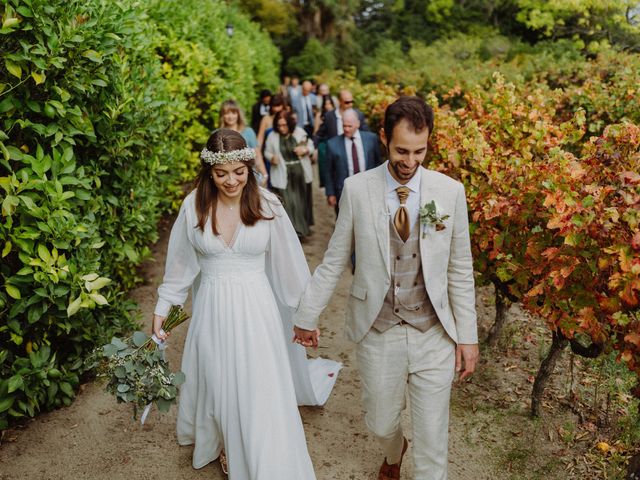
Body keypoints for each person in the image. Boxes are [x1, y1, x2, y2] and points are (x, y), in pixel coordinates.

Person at [292, 96, 480, 480]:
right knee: (380, 422)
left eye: (419, 151)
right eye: (401, 151)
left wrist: (468, 337)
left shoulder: (450, 192)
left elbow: (461, 269)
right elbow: (333, 258)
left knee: (433, 441)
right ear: (383, 139)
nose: (409, 162)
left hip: (434, 333)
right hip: (379, 329)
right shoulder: (357, 189)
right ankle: (394, 451)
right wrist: (307, 315)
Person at [152, 129, 340, 479]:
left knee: (257, 381)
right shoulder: (193, 205)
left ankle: (258, 446)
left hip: (257, 309)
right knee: (217, 376)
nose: (231, 181)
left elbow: (290, 266)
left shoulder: (267, 204)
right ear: (209, 172)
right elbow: (178, 265)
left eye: (239, 172)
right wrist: (163, 308)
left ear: (248, 167)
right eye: (221, 174)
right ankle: (223, 441)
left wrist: (306, 316)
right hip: (211, 306)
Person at [264, 110, 314, 238]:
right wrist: (271, 158)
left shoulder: (299, 132)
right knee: (289, 203)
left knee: (300, 202)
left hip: (300, 174)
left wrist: (305, 150)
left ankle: (302, 230)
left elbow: (311, 146)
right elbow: (266, 152)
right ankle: (293, 232)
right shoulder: (272, 136)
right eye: (279, 125)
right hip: (282, 174)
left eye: (284, 125)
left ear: (290, 123)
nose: (282, 128)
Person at [325, 108, 382, 215]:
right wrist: (330, 193)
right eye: (344, 126)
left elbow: (378, 163)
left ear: (358, 124)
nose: (346, 129)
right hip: (344, 191)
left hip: (368, 189)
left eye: (349, 126)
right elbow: (328, 171)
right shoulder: (332, 144)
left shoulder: (371, 139)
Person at [218, 99, 268, 186]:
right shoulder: (217, 134)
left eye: (233, 113)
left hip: (249, 177)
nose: (230, 117)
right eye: (227, 113)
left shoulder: (248, 132)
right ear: (222, 116)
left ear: (238, 114)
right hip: (227, 180)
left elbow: (258, 155)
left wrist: (264, 175)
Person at [313, 94, 337, 189]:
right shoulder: (320, 115)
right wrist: (315, 148)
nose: (328, 106)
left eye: (329, 103)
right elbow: (317, 132)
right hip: (324, 143)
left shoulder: (336, 114)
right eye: (326, 104)